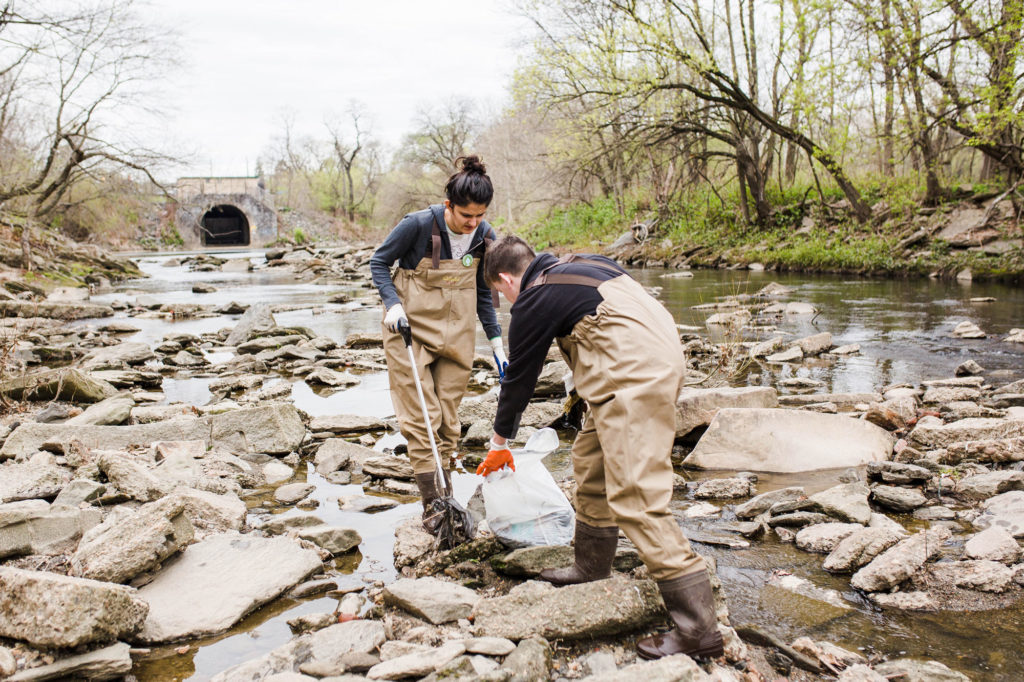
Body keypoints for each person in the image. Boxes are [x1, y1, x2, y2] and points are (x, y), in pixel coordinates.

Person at [476, 235, 723, 661]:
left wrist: (500, 443)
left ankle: (699, 629)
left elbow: (519, 378)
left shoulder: (534, 299)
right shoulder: (582, 265)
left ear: (505, 278)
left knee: (637, 495)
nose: (505, 300)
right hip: (655, 355)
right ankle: (591, 567)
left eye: (501, 293)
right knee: (590, 458)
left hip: (635, 377)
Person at [370, 155, 506, 533]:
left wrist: (496, 342)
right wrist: (392, 304)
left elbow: (483, 291)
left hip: (457, 333)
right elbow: (379, 263)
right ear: (449, 205)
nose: (473, 223)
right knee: (422, 418)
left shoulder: (483, 235)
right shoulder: (417, 225)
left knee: (448, 420)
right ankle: (433, 505)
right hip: (408, 328)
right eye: (466, 215)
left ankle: (447, 494)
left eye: (480, 215)